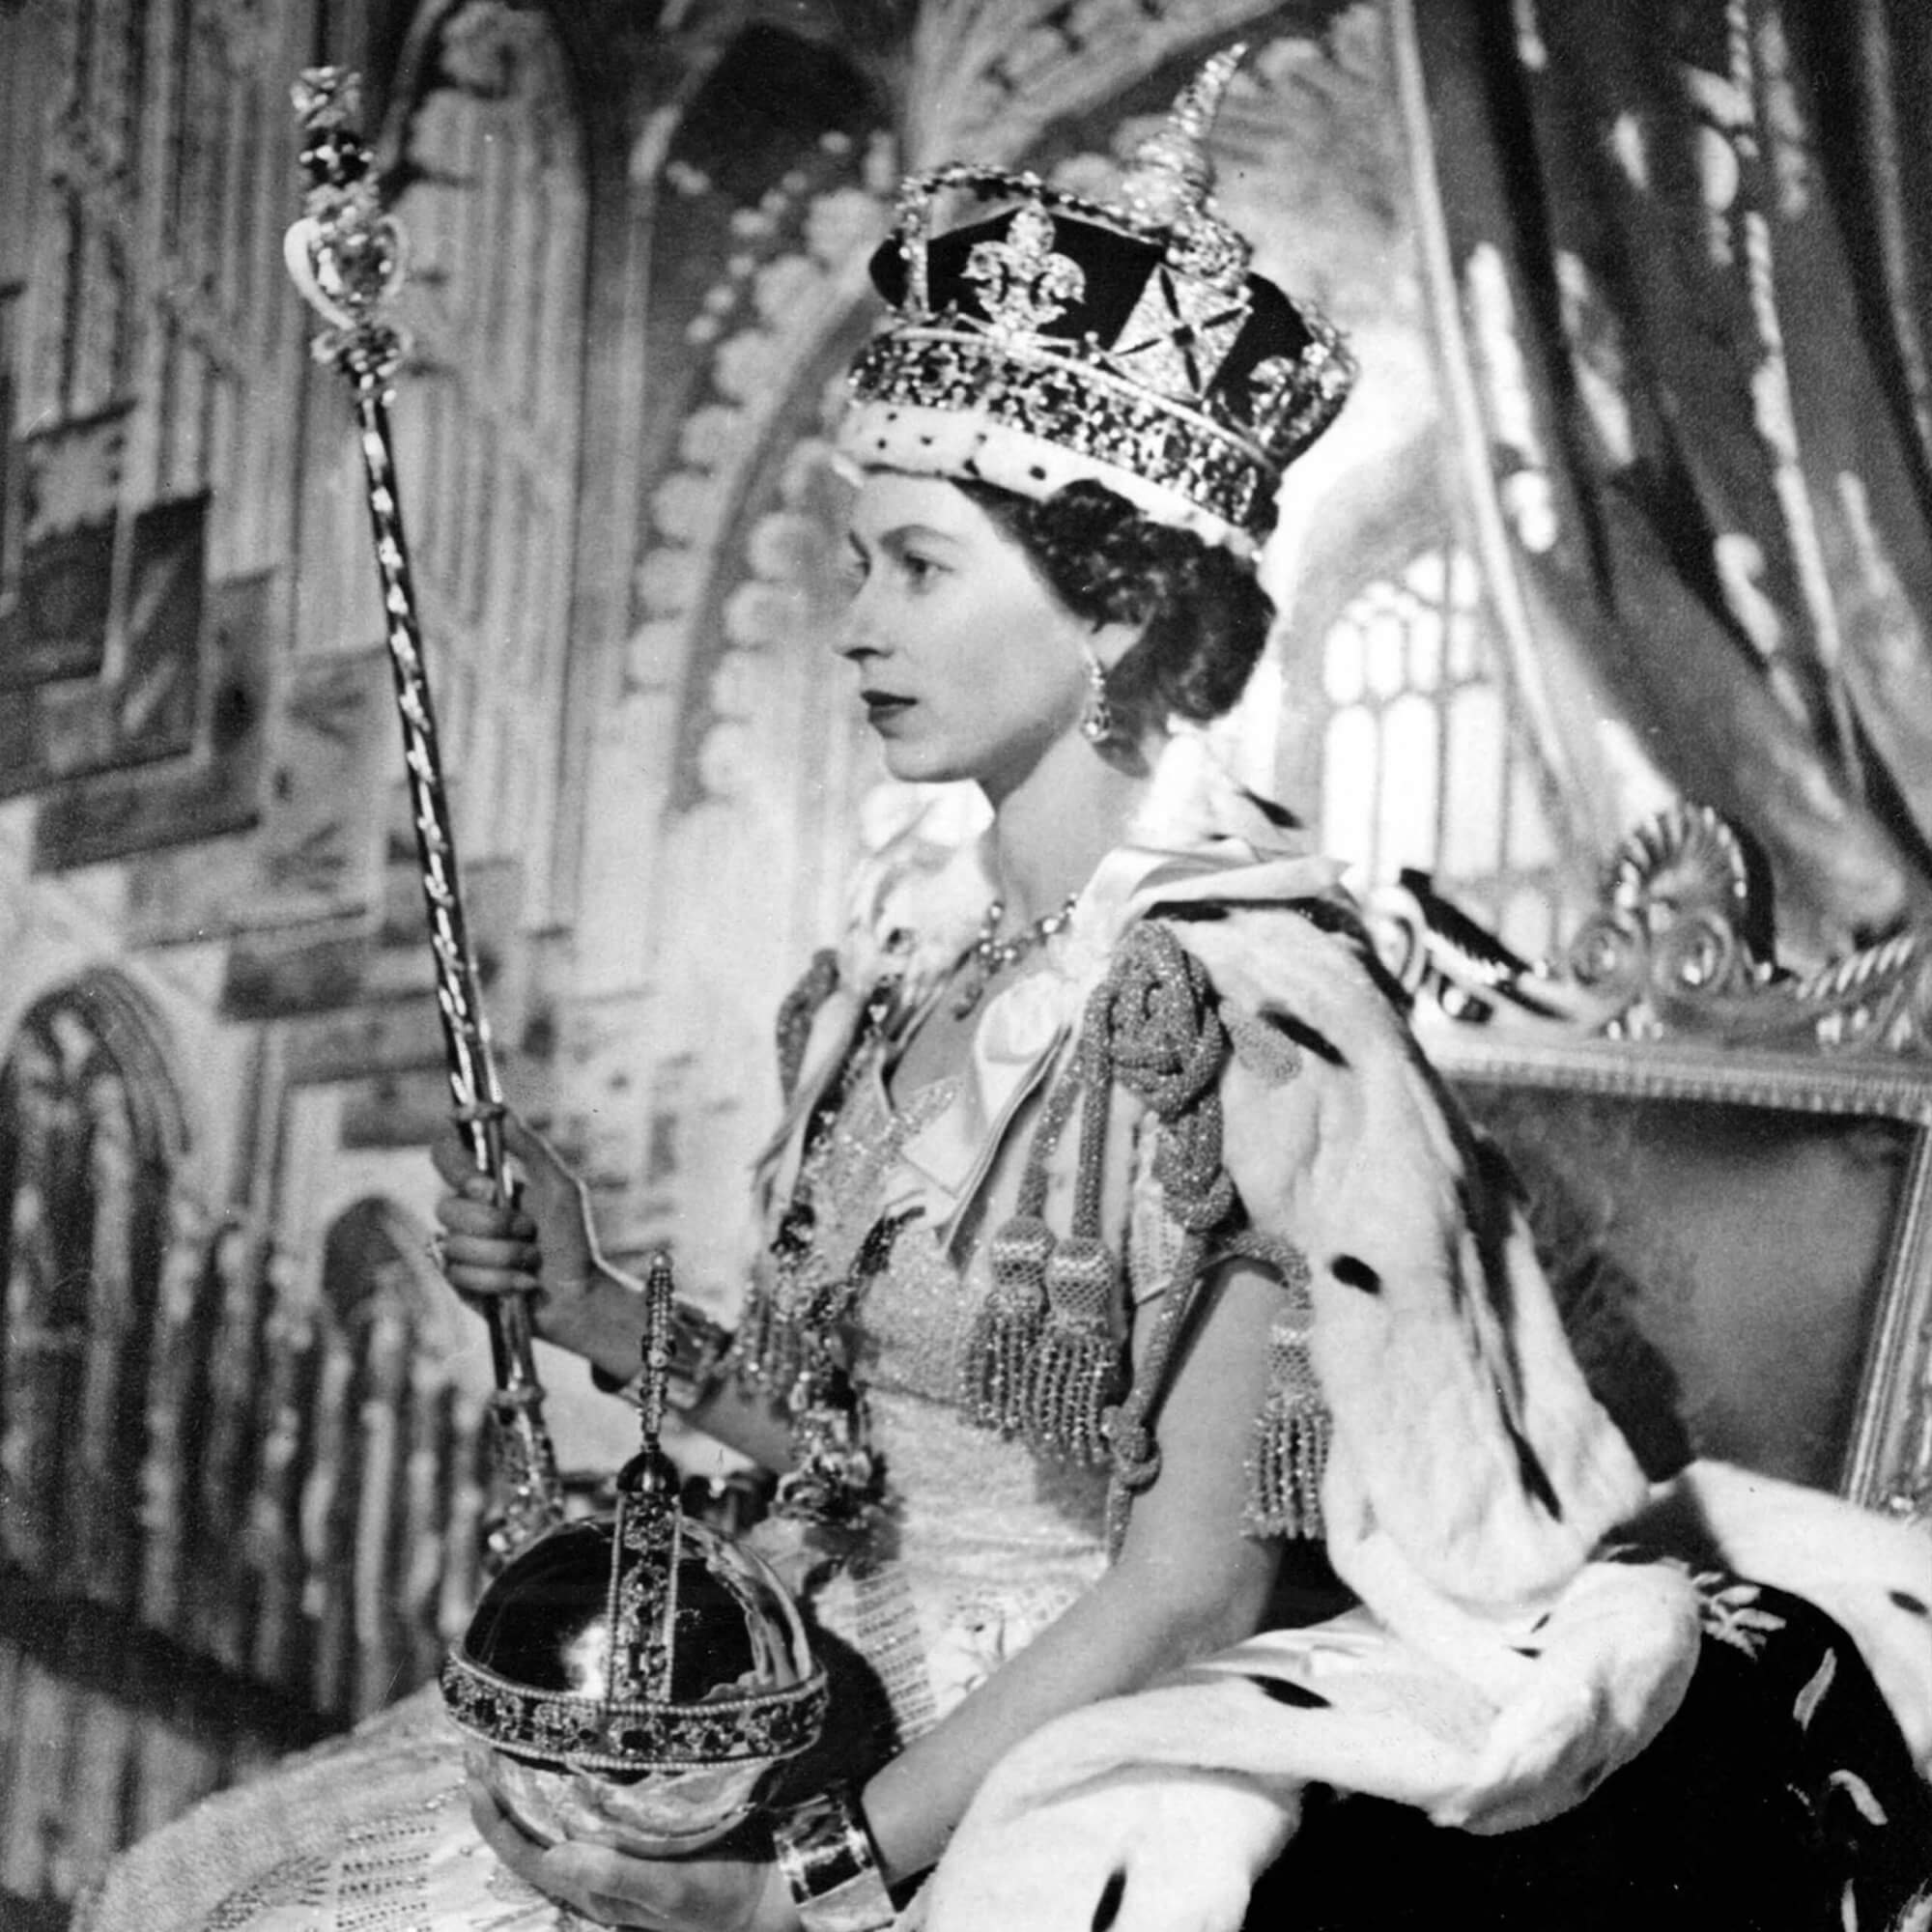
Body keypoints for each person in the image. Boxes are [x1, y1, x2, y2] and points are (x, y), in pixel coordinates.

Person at [82, 47, 1931, 1932]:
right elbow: (839, 1454)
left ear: (1115, 605)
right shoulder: (908, 966)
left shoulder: (1255, 1015)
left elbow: (1186, 1589)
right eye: (854, 562)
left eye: (914, 566)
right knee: (186, 1887)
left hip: (1036, 1745)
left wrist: (802, 1877)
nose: (858, 620)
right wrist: (594, 1308)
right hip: (789, 1654)